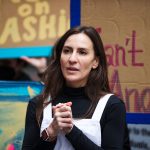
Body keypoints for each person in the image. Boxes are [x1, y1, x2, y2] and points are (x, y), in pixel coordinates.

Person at [22, 26, 130, 150]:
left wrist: (71, 131)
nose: (72, 59)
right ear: (59, 57)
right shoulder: (38, 104)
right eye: (67, 51)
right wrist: (50, 132)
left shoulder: (112, 106)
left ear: (95, 61)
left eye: (82, 52)